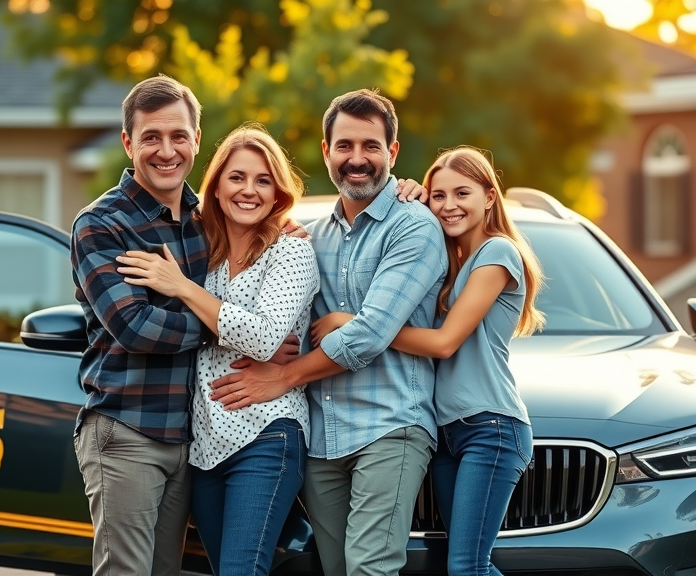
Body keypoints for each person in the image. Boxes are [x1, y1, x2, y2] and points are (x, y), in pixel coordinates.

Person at [210, 89, 448, 576]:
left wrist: (284, 376)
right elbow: (277, 312)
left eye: (371, 146)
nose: (356, 160)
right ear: (326, 151)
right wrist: (274, 345)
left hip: (390, 425)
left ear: (393, 153)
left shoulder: (414, 226)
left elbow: (369, 335)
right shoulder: (309, 237)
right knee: (337, 568)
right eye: (344, 146)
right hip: (323, 436)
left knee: (369, 567)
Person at [312, 146, 546, 576]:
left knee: (467, 566)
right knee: (457, 565)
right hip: (447, 431)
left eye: (463, 193)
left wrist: (357, 323)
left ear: (490, 197)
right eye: (438, 196)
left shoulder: (498, 254)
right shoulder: (451, 263)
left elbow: (442, 343)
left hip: (490, 426)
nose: (449, 205)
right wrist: (410, 197)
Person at [114, 124, 319, 576]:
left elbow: (265, 339)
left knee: (242, 570)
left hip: (267, 433)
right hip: (204, 444)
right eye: (238, 178)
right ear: (217, 185)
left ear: (277, 192)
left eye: (263, 181)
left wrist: (185, 290)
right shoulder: (197, 248)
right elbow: (157, 323)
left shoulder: (291, 252)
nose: (249, 191)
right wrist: (214, 312)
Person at [70, 74, 208, 576]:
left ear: (196, 139)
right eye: (151, 136)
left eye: (177, 136)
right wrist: (226, 325)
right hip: (126, 431)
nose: (165, 150)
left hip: (190, 438)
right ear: (128, 143)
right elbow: (134, 326)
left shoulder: (206, 220)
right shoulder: (101, 224)